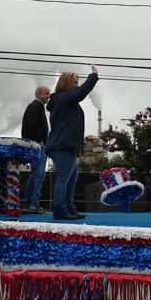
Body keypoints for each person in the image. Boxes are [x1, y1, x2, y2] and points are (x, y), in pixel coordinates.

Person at [45, 65, 99, 220]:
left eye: (77, 82)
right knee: (64, 178)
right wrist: (93, 76)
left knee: (72, 178)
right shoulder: (65, 98)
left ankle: (69, 208)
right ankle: (60, 210)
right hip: (64, 145)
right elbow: (82, 91)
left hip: (67, 145)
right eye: (74, 82)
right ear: (67, 84)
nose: (77, 85)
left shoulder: (62, 100)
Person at [21, 85, 51, 214]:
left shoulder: (37, 107)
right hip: (37, 145)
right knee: (37, 175)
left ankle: (34, 203)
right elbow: (31, 127)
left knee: (40, 176)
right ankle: (30, 203)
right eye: (46, 93)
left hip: (39, 145)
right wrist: (40, 141)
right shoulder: (34, 107)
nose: (49, 96)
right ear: (38, 94)